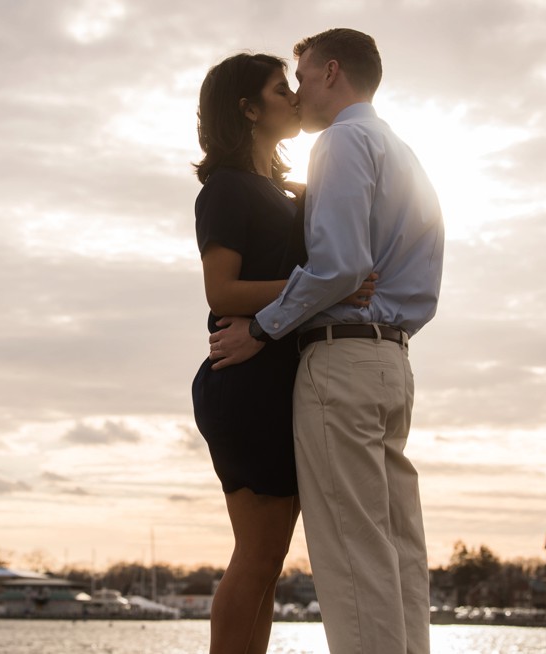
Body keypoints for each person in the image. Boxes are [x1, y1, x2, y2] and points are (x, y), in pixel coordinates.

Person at [208, 29, 445, 654]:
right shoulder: (400, 150)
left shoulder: (340, 142)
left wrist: (262, 328)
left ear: (331, 72)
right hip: (393, 361)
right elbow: (400, 278)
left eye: (303, 77)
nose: (298, 91)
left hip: (341, 362)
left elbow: (339, 267)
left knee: (351, 553)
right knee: (398, 553)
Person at [191, 52, 376, 654]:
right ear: (247, 109)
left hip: (279, 378)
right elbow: (221, 292)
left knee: (269, 559)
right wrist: (330, 284)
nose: (294, 96)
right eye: (279, 89)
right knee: (259, 552)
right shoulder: (226, 190)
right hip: (245, 381)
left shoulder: (277, 190)